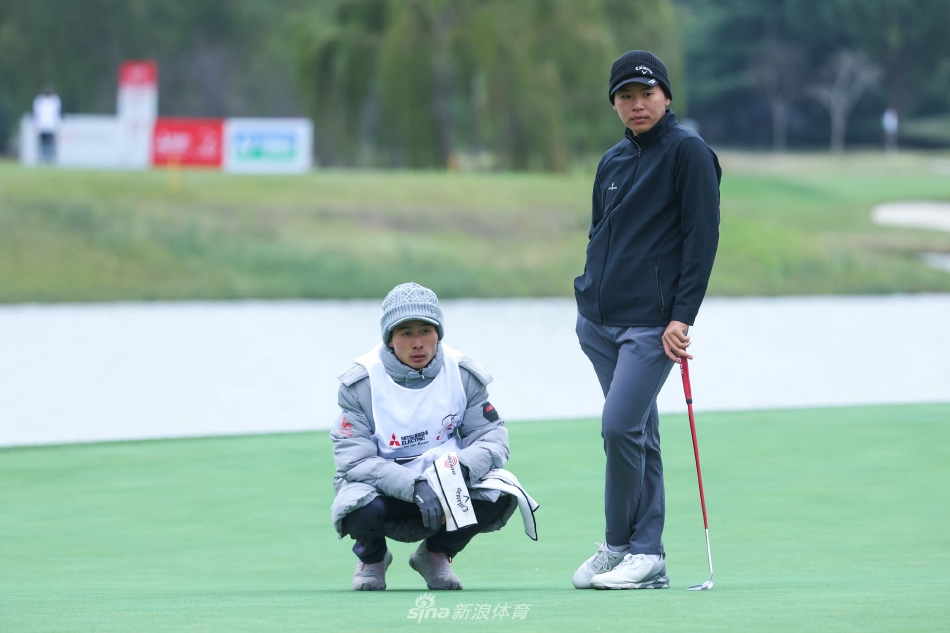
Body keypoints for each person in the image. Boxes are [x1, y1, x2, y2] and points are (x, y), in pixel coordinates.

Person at [571, 50, 720, 590]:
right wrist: (587, 297)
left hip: (651, 326)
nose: (637, 105)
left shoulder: (689, 154)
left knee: (618, 427)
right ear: (614, 104)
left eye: (646, 94)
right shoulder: (613, 161)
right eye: (625, 97)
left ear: (666, 97)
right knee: (638, 433)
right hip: (600, 322)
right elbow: (599, 235)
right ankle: (645, 554)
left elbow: (701, 243)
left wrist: (682, 318)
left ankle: (621, 544)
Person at [330, 282, 537, 591]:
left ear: (438, 333)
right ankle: (372, 557)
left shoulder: (463, 372)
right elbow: (354, 460)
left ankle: (435, 554)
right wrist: (415, 486)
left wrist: (457, 472)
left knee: (500, 494)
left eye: (426, 331)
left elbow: (492, 438)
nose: (418, 343)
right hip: (385, 489)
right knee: (356, 508)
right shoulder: (360, 382)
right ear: (389, 340)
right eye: (406, 333)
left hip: (448, 481)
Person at [32, 84, 61, 165]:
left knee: (50, 144)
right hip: (41, 126)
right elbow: (36, 114)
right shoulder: (39, 100)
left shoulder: (55, 100)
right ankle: (42, 159)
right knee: (42, 144)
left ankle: (51, 159)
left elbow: (56, 114)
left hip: (51, 126)